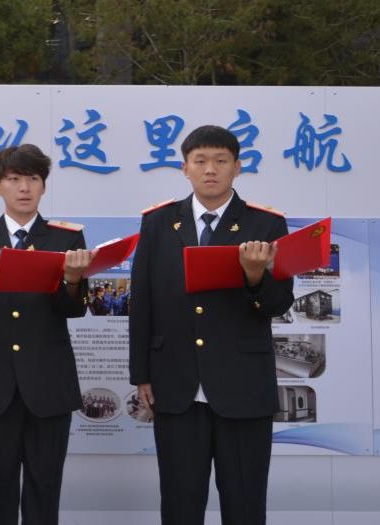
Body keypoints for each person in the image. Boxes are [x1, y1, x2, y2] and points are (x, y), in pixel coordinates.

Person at [129, 125, 291, 525]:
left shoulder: (266, 225)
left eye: (221, 161)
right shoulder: (158, 222)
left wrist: (254, 275)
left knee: (245, 503)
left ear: (238, 167)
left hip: (243, 386)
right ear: (185, 168)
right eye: (200, 161)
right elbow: (143, 302)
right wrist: (141, 375)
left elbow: (277, 304)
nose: (210, 169)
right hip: (175, 384)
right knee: (180, 504)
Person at [0, 143, 92, 525]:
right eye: (13, 179)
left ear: (44, 185)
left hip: (49, 385)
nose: (24, 188)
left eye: (33, 179)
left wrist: (72, 280)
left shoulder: (66, 239)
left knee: (45, 489)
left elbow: (73, 309)